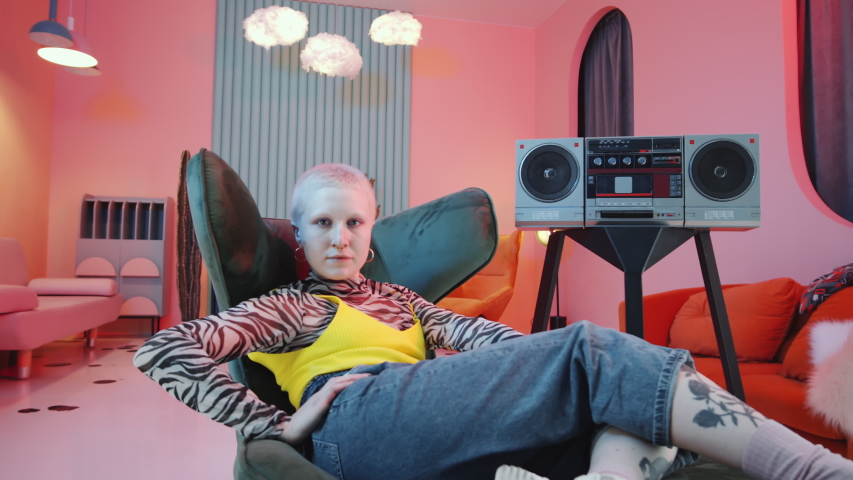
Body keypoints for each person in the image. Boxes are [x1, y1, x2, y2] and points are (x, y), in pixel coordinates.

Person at [134, 163, 853, 480]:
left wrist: (519, 376)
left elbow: (504, 346)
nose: (340, 238)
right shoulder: (292, 304)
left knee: (626, 408)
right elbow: (165, 352)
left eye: (354, 222)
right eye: (322, 223)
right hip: (358, 425)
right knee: (595, 354)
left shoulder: (407, 304)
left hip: (420, 427)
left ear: (371, 230)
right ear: (298, 233)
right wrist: (280, 424)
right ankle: (815, 471)